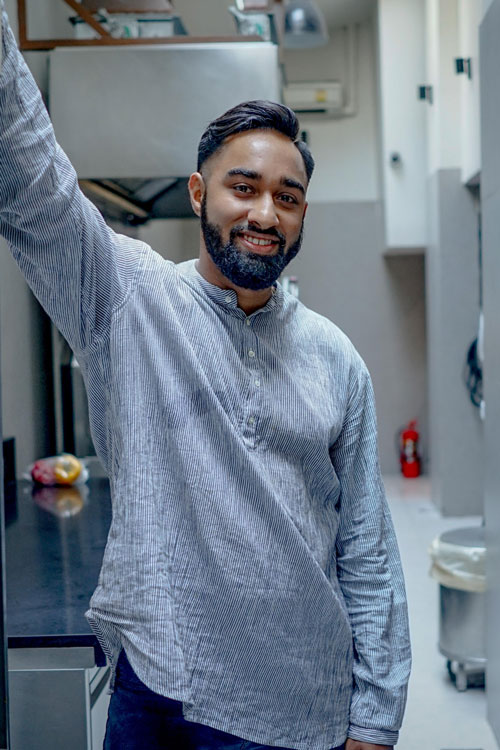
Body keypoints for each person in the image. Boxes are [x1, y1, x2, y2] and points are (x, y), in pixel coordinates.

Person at [0, 3, 411, 749]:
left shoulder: (335, 358)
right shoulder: (128, 299)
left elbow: (367, 548)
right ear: (199, 193)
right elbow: (34, 184)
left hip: (297, 705)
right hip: (157, 694)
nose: (266, 213)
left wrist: (376, 717)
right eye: (243, 187)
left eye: (287, 197)